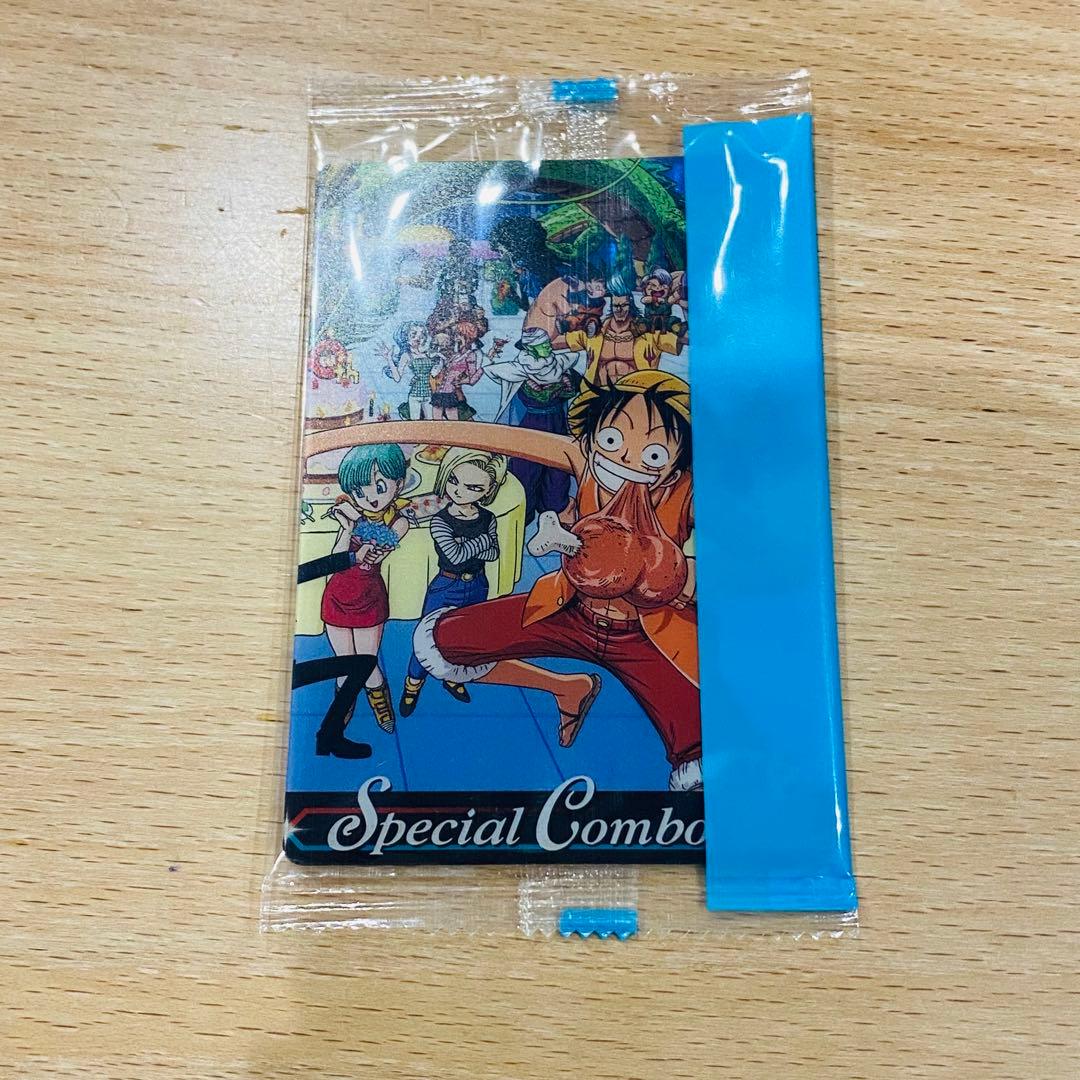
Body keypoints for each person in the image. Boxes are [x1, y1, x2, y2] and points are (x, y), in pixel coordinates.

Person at [307, 372, 701, 790]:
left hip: (645, 635)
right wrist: (346, 438)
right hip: (568, 611)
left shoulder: (689, 489)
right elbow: (489, 437)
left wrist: (684, 576)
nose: (626, 459)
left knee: (698, 753)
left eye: (653, 454)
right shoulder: (583, 458)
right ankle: (568, 689)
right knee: (444, 642)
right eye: (612, 440)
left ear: (676, 464)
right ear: (592, 437)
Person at [399, 449, 507, 716]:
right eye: (454, 481)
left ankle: (452, 678)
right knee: (427, 641)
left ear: (488, 490)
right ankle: (412, 687)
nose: (459, 491)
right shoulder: (440, 520)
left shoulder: (488, 518)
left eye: (473, 487)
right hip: (446, 587)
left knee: (465, 638)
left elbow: (494, 553)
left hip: (478, 585)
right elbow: (455, 556)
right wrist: (481, 542)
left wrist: (468, 545)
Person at [318, 443, 412, 750]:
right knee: (344, 663)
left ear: (399, 483)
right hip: (338, 594)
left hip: (369, 598)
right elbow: (336, 559)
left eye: (380, 487)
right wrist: (347, 528)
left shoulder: (398, 521)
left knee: (367, 663)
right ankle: (343, 705)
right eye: (359, 491)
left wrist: (357, 524)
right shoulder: (353, 517)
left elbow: (380, 547)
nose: (370, 497)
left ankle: (380, 706)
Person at [484, 327, 579, 523]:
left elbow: (576, 388)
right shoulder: (518, 369)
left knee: (557, 472)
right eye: (543, 345)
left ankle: (554, 514)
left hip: (557, 425)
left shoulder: (560, 364)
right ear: (531, 349)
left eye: (547, 344)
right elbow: (492, 371)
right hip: (530, 426)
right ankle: (522, 515)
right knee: (525, 471)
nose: (548, 347)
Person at [551, 282, 686, 385]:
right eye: (616, 306)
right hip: (600, 396)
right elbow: (556, 343)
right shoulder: (596, 333)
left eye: (624, 305)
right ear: (611, 306)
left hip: (637, 398)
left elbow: (685, 339)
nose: (619, 310)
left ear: (630, 305)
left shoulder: (647, 333)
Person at [381, 321, 436, 420]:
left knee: (431, 422)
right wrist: (389, 359)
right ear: (406, 337)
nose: (417, 338)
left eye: (421, 335)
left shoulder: (428, 353)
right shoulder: (406, 355)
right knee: (415, 422)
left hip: (428, 394)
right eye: (413, 335)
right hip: (415, 395)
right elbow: (397, 378)